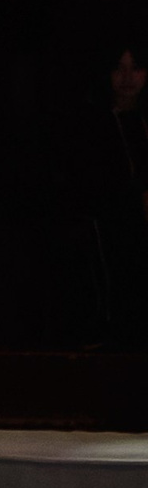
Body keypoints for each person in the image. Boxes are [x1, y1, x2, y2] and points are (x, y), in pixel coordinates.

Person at [73, 40, 148, 345]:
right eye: (119, 68)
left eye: (136, 68)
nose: (127, 77)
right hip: (111, 226)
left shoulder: (141, 121)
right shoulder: (94, 122)